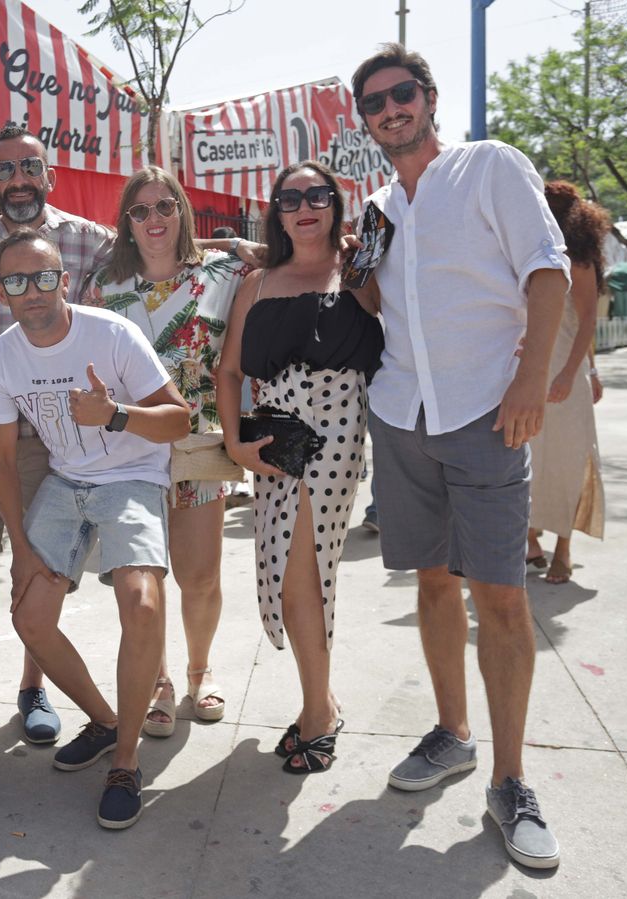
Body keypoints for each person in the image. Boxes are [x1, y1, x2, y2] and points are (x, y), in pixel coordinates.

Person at [0, 124, 267, 743]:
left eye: (30, 168)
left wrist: (229, 242)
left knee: (177, 573)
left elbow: (168, 248)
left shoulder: (88, 242)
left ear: (50, 176)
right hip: (4, 426)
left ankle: (75, 685)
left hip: (143, 439)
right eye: (6, 170)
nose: (19, 180)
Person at [352, 43, 568, 870]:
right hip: (401, 415)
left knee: (503, 598)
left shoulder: (489, 167)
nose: (391, 109)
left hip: (486, 410)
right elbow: (368, 300)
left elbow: (545, 274)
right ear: (365, 120)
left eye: (402, 93)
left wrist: (528, 382)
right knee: (433, 581)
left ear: (428, 97)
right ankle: (453, 733)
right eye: (375, 102)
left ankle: (512, 781)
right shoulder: (375, 208)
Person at [0, 229, 190, 829]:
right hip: (66, 482)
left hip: (131, 477)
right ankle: (106, 722)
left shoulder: (112, 334)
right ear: (4, 293)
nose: (34, 292)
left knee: (144, 605)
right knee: (29, 616)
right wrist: (20, 549)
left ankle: (125, 762)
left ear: (65, 281)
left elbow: (178, 419)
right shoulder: (3, 356)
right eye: (18, 282)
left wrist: (115, 414)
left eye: (44, 277)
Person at [216, 159, 383, 774]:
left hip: (338, 424)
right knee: (284, 569)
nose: (305, 206)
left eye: (318, 195)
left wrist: (361, 255)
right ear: (277, 212)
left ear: (336, 203)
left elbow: (395, 313)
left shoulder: (357, 269)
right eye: (291, 198)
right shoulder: (257, 283)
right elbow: (228, 371)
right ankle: (322, 698)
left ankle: (319, 715)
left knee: (298, 568)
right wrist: (234, 444)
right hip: (272, 435)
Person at [77, 166, 248, 734]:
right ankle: (160, 679)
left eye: (165, 206)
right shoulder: (104, 286)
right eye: (141, 210)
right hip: (129, 451)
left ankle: (201, 672)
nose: (155, 220)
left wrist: (233, 241)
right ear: (126, 222)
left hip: (198, 448)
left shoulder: (223, 273)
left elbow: (297, 250)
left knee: (200, 576)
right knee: (144, 581)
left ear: (182, 211)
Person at [526, 183, 607, 586]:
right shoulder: (526, 252)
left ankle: (563, 548)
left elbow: (587, 320)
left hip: (564, 375)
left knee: (566, 462)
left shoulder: (580, 261)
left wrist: (578, 371)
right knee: (523, 458)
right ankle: (529, 540)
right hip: (525, 372)